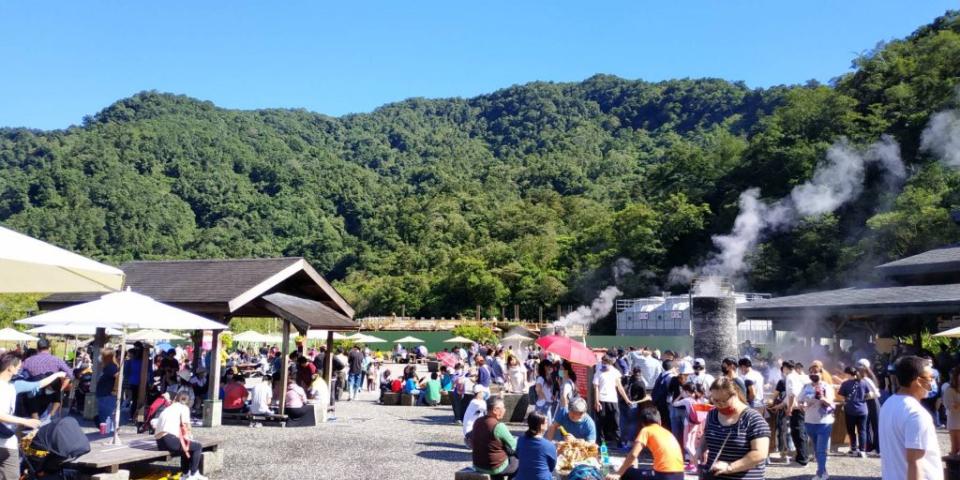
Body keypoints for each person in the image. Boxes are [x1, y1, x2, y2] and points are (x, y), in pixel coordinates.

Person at [879, 355, 943, 480]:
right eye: (931, 378)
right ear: (918, 381)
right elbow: (915, 462)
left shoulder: (888, 404)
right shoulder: (916, 414)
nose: (932, 383)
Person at [698, 377, 770, 479]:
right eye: (715, 400)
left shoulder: (754, 419)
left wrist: (730, 467)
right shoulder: (712, 414)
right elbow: (707, 434)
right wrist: (700, 450)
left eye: (723, 401)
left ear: (735, 395)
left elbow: (760, 453)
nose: (719, 405)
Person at [0, 353, 43, 479]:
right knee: (12, 475)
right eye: (18, 366)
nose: (20, 368)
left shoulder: (10, 386)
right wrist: (25, 421)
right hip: (5, 442)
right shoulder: (5, 388)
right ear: (10, 368)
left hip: (6, 441)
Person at [609, 408, 684, 480]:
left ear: (642, 424)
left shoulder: (646, 430)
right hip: (680, 475)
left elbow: (633, 454)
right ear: (660, 422)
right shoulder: (667, 433)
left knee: (626, 472)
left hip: (664, 475)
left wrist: (618, 473)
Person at [154, 391, 207, 480]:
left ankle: (185, 473)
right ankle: (193, 474)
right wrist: (190, 435)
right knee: (197, 447)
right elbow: (186, 425)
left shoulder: (169, 408)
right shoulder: (183, 408)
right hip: (169, 439)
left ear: (176, 398)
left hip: (160, 442)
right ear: (188, 401)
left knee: (186, 447)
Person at [798, 364, 835, 480]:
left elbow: (830, 402)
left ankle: (820, 473)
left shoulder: (826, 386)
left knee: (820, 449)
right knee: (816, 450)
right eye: (811, 372)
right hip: (809, 421)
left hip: (824, 422)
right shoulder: (806, 387)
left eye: (816, 372)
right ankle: (824, 471)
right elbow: (799, 401)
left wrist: (822, 397)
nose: (813, 374)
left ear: (821, 373)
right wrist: (803, 405)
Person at [21, 338, 74, 419]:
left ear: (37, 348)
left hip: (33, 394)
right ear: (49, 348)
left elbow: (20, 374)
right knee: (47, 421)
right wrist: (61, 388)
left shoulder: (28, 360)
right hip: (51, 395)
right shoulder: (57, 360)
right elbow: (70, 375)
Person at [471, 396, 518, 479]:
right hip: (494, 467)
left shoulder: (477, 421)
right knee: (518, 462)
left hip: (477, 465)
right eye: (503, 408)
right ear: (495, 410)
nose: (504, 410)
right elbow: (514, 445)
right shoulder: (498, 426)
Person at [593, 354, 634, 448]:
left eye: (606, 363)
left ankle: (618, 442)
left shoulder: (615, 372)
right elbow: (596, 388)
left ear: (610, 363)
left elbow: (620, 387)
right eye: (603, 362)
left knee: (616, 421)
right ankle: (601, 442)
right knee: (601, 422)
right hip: (601, 399)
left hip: (613, 400)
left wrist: (627, 399)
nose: (604, 365)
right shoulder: (598, 372)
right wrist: (596, 401)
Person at [838, 366, 870, 457]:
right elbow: (867, 395)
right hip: (863, 410)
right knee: (862, 431)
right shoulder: (863, 383)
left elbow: (841, 396)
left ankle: (853, 449)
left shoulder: (845, 384)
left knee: (851, 431)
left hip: (850, 410)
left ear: (848, 374)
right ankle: (863, 450)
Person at [514, 411, 557, 480]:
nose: (548, 424)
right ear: (541, 425)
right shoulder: (549, 445)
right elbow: (552, 467)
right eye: (546, 422)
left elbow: (518, 455)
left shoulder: (520, 440)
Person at [785, 359, 810, 467]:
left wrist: (789, 408)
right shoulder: (799, 376)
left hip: (796, 408)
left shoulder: (790, 376)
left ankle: (802, 459)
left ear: (786, 367)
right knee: (801, 433)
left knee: (798, 433)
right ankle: (802, 456)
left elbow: (792, 394)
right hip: (802, 407)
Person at [856, 358, 882, 455]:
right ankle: (868, 446)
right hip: (865, 402)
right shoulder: (860, 379)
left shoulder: (868, 379)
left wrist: (867, 395)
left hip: (872, 402)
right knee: (865, 425)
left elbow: (877, 393)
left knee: (876, 425)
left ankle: (878, 447)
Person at [96, 347, 120, 425]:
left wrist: (115, 390)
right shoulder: (108, 366)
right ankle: (106, 430)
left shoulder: (111, 366)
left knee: (105, 415)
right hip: (104, 394)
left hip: (107, 394)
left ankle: (107, 432)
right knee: (104, 415)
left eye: (101, 355)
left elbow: (118, 376)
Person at [944, 366, 960, 456]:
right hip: (955, 424)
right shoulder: (950, 390)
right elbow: (952, 408)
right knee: (956, 448)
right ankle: (952, 469)